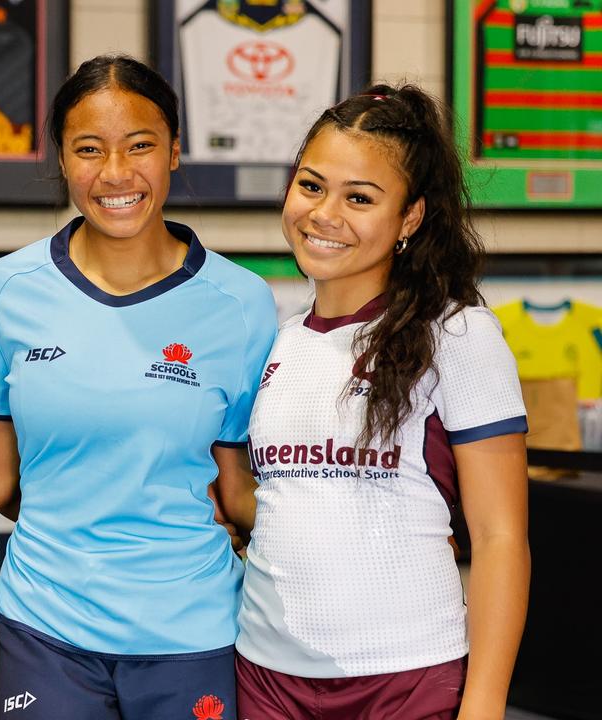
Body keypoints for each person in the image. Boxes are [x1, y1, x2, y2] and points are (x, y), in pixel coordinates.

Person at [0, 54, 276, 720]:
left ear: (174, 152)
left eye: (140, 146)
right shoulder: (3, 292)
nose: (115, 174)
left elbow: (236, 487)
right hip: (44, 629)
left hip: (192, 629)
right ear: (61, 158)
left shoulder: (241, 304)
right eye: (89, 149)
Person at [235, 84, 530, 720]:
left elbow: (501, 536)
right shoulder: (275, 342)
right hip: (264, 677)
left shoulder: (458, 335)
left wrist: (484, 703)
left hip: (405, 681)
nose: (324, 213)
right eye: (311, 185)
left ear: (411, 218)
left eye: (360, 198)